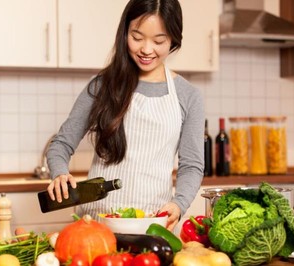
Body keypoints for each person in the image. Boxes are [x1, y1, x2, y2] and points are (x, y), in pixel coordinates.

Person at [45, 0, 204, 232]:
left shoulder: (188, 95)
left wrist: (179, 204)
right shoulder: (103, 85)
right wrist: (60, 173)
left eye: (158, 41)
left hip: (152, 225)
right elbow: (61, 144)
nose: (146, 49)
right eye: (137, 37)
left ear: (173, 39)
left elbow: (191, 165)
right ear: (125, 33)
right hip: (95, 225)